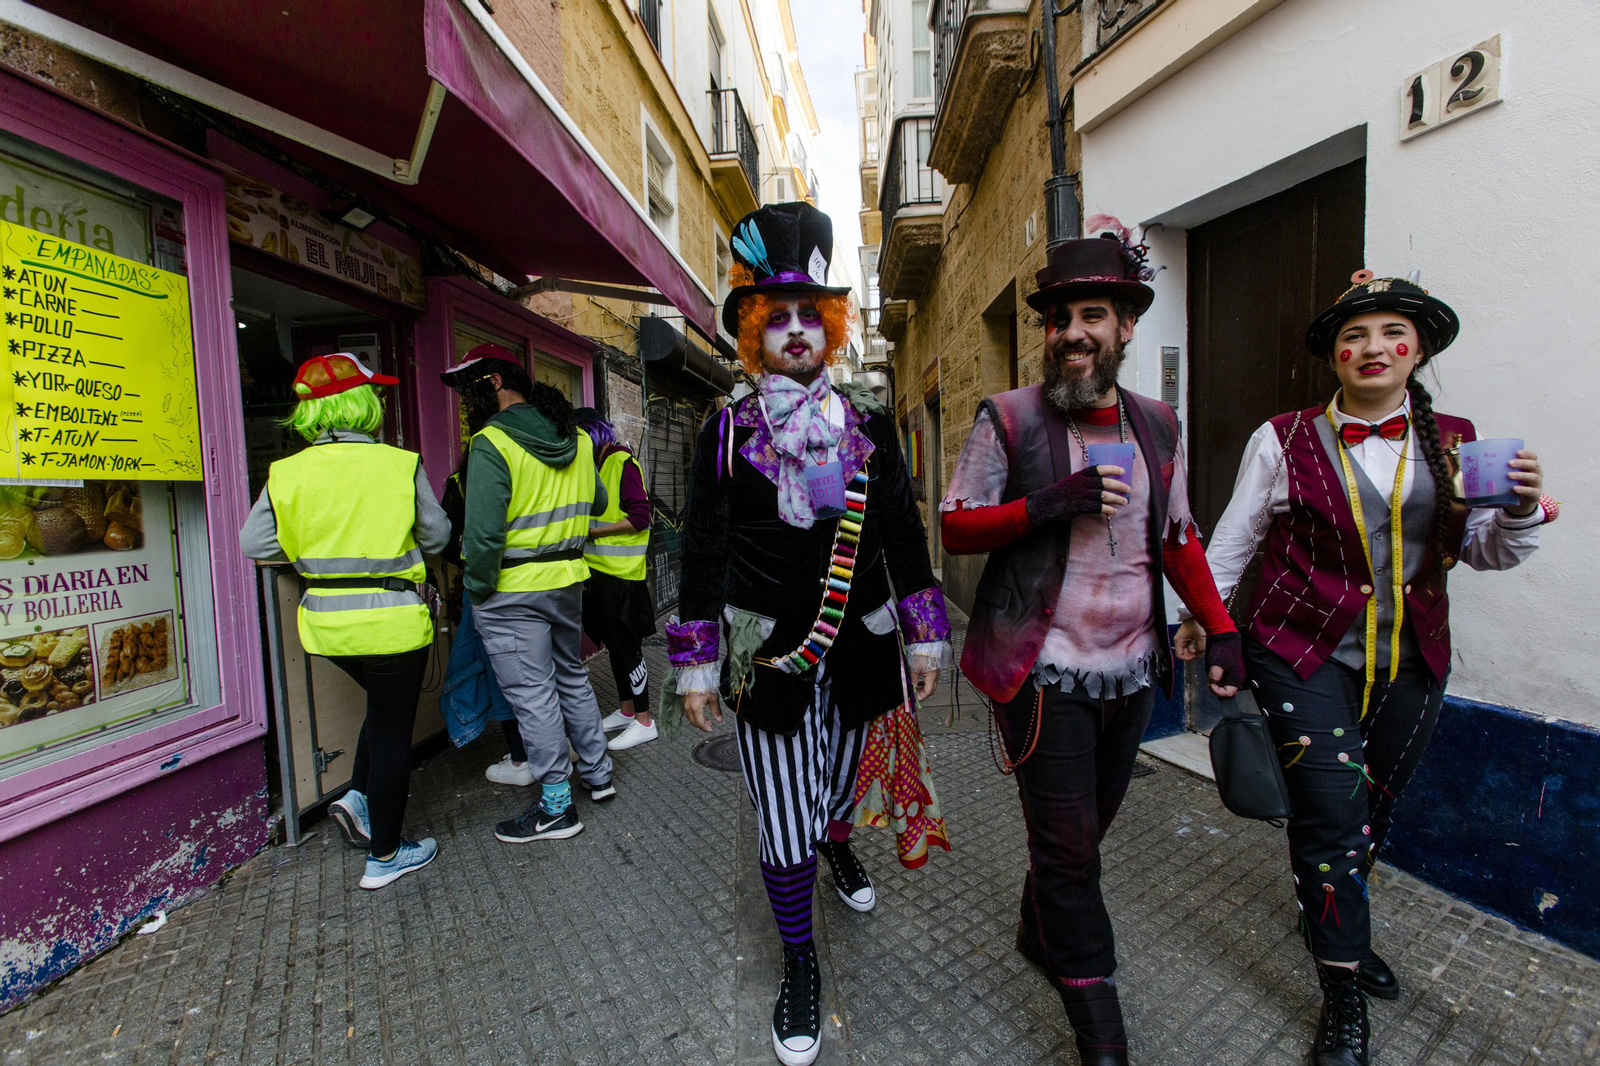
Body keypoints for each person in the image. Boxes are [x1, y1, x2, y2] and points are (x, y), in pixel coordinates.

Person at [1186, 271, 1550, 1066]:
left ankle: (1326, 911)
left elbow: (1482, 552)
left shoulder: (1456, 439)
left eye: (1392, 333)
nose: (1373, 347)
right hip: (1299, 651)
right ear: (1334, 357)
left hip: (1415, 656)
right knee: (1331, 818)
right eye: (1355, 335)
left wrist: (1520, 512)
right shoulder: (1280, 438)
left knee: (1373, 809)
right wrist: (1213, 628)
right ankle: (1342, 993)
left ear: (1418, 351)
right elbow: (1233, 541)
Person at [940, 219, 1243, 1066]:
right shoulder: (1008, 418)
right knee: (1070, 852)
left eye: (1092, 316)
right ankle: (1100, 1029)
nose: (1071, 333)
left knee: (1084, 833)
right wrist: (1048, 504)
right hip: (1042, 672)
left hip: (1133, 672)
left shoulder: (1159, 423)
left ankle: (1039, 929)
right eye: (1058, 318)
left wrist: (1221, 628)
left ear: (1127, 326)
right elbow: (957, 527)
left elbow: (1178, 538)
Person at [670, 202, 950, 1066]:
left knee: (835, 791)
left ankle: (839, 848)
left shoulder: (867, 423)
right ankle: (800, 962)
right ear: (755, 331)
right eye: (776, 315)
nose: (795, 330)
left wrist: (925, 633)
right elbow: (702, 548)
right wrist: (696, 665)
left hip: (861, 647)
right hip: (768, 661)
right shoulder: (726, 431)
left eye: (810, 314)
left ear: (830, 327)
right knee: (784, 816)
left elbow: (902, 534)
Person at [239, 353, 448, 889]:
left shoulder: (286, 472)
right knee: (393, 731)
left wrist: (315, 551)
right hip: (393, 622)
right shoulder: (399, 463)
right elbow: (438, 536)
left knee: (381, 709)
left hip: (326, 627)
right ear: (361, 403)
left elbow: (255, 544)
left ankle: (356, 796)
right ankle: (386, 855)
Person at [441, 344, 615, 844]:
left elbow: (483, 536)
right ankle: (598, 775)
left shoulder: (491, 441)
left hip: (512, 589)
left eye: (468, 389)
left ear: (495, 383)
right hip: (567, 581)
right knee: (571, 677)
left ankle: (557, 808)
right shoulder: (574, 436)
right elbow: (599, 500)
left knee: (533, 697)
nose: (465, 401)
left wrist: (477, 591)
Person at [438, 430, 530, 786]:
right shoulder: (523, 469)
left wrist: (472, 573)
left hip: (485, 586)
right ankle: (553, 745)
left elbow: (445, 540)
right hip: (531, 581)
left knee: (499, 671)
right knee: (539, 670)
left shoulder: (462, 481)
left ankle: (521, 757)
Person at [573, 409, 659, 752]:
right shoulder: (597, 464)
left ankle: (644, 720)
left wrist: (593, 532)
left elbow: (641, 517)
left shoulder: (622, 461)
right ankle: (626, 711)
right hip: (600, 575)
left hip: (622, 578)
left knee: (628, 649)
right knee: (613, 646)